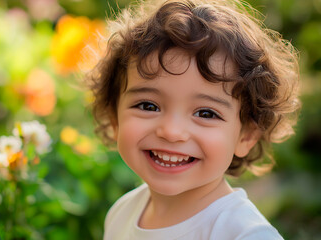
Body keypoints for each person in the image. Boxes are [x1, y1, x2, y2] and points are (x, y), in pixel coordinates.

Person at [86, 0, 300, 239]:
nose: (171, 131)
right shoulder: (122, 213)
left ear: (246, 135)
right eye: (148, 106)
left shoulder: (244, 234)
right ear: (115, 118)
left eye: (206, 113)